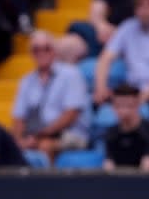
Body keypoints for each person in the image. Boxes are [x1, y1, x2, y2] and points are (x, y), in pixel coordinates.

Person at [10, 31, 90, 165]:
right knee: (7, 145)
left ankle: (46, 185)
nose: (41, 53)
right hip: (34, 134)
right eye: (36, 49)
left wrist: (38, 136)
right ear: (31, 54)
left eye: (46, 48)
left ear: (54, 51)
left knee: (45, 146)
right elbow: (19, 117)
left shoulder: (71, 74)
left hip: (70, 133)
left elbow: (71, 115)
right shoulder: (26, 81)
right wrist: (18, 140)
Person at [101, 83, 149, 170]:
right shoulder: (111, 133)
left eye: (129, 106)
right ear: (113, 107)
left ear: (138, 105)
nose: (124, 111)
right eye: (119, 106)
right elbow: (109, 165)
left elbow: (148, 165)